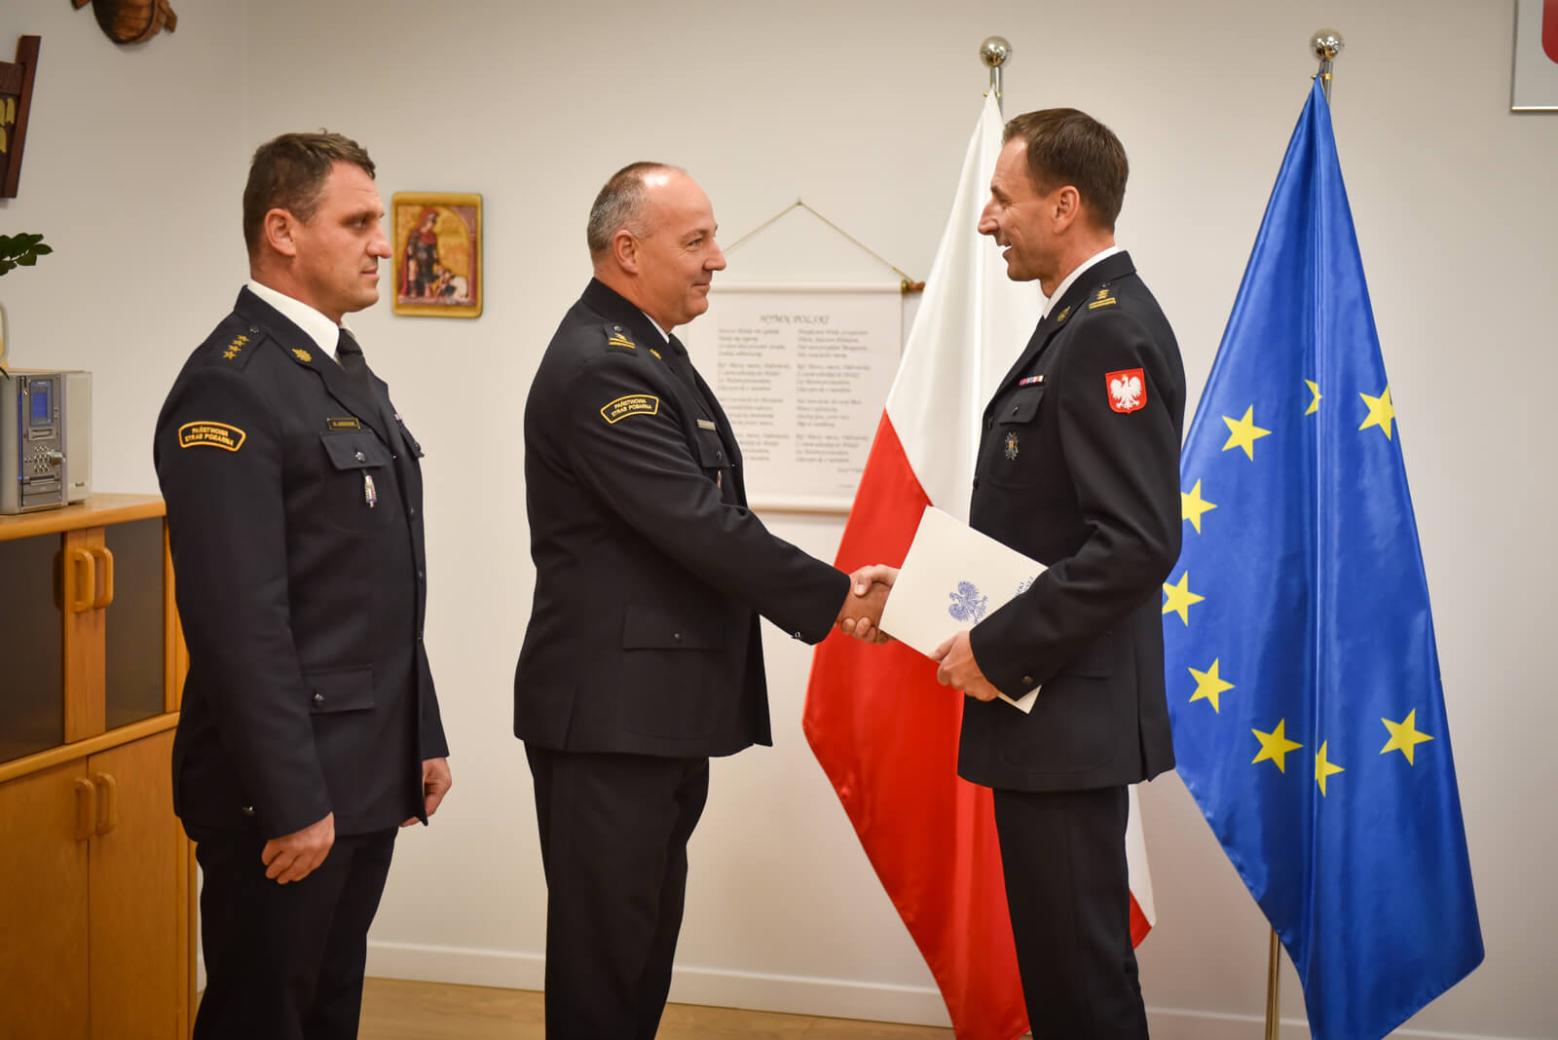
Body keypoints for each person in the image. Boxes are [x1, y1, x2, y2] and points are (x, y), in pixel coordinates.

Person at [515, 161, 887, 1039]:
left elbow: (706, 523)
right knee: (606, 966)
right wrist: (836, 596)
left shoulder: (649, 352)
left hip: (650, 717)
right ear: (627, 250)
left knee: (639, 953)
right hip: (609, 722)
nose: (718, 257)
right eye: (697, 240)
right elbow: (697, 524)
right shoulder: (600, 366)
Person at [849, 109, 1184, 1038]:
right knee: (1063, 976)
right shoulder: (1074, 323)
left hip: (1066, 715)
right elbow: (1043, 531)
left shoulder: (1107, 332)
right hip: (1052, 718)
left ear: (1065, 205)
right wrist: (921, 595)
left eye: (1003, 198)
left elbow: (1136, 543)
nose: (986, 219)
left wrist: (998, 650)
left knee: (1081, 987)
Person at [153, 131, 452, 1040]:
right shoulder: (231, 386)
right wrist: (291, 801)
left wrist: (421, 735)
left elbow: (378, 581)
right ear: (282, 231)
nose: (382, 244)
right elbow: (237, 622)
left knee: (327, 1014)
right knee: (261, 1018)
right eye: (357, 223)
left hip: (360, 769)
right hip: (285, 793)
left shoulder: (337, 366)